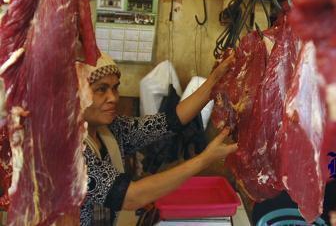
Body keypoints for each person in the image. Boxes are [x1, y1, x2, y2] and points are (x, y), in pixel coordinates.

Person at [79, 52, 238, 225]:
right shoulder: (69, 152)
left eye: (115, 88)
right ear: (75, 93)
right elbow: (130, 197)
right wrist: (205, 159)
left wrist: (215, 80)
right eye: (101, 89)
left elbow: (168, 122)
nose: (113, 98)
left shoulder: (110, 129)